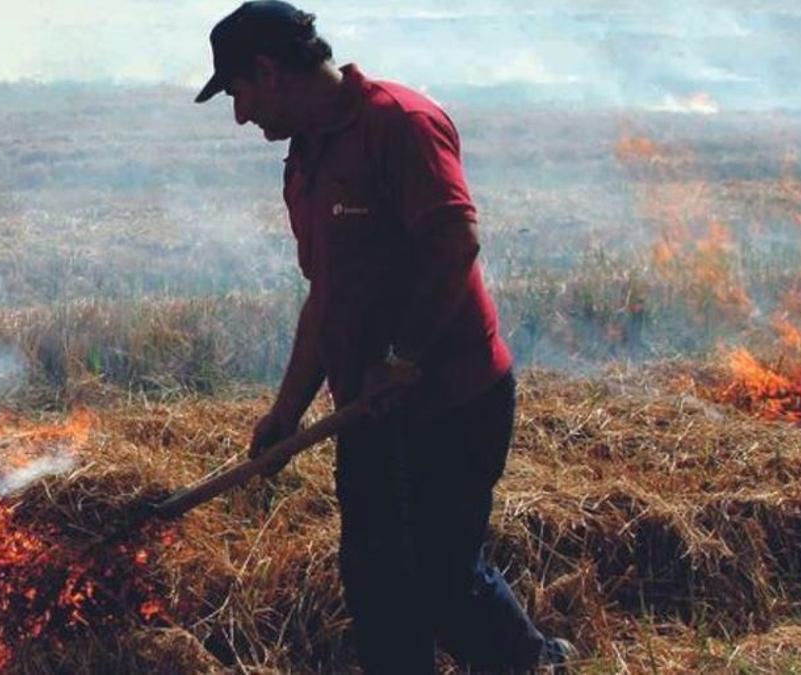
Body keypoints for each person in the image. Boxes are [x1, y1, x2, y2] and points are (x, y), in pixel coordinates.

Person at [194, 2, 574, 673]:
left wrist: (402, 356)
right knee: (375, 586)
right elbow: (326, 298)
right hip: (367, 409)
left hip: (453, 399)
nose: (240, 114)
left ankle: (534, 663)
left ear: (267, 70)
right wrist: (287, 410)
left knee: (441, 575)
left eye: (238, 93)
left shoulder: (399, 124)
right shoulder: (304, 162)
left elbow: (455, 241)